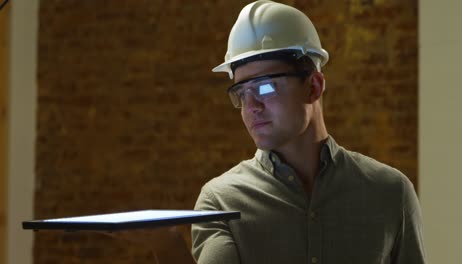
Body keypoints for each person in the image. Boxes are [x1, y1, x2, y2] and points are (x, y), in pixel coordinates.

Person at [111, 1, 425, 264]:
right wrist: (166, 247)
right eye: (240, 92)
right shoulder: (221, 201)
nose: (251, 106)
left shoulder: (390, 193)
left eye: (264, 86)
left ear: (313, 86)